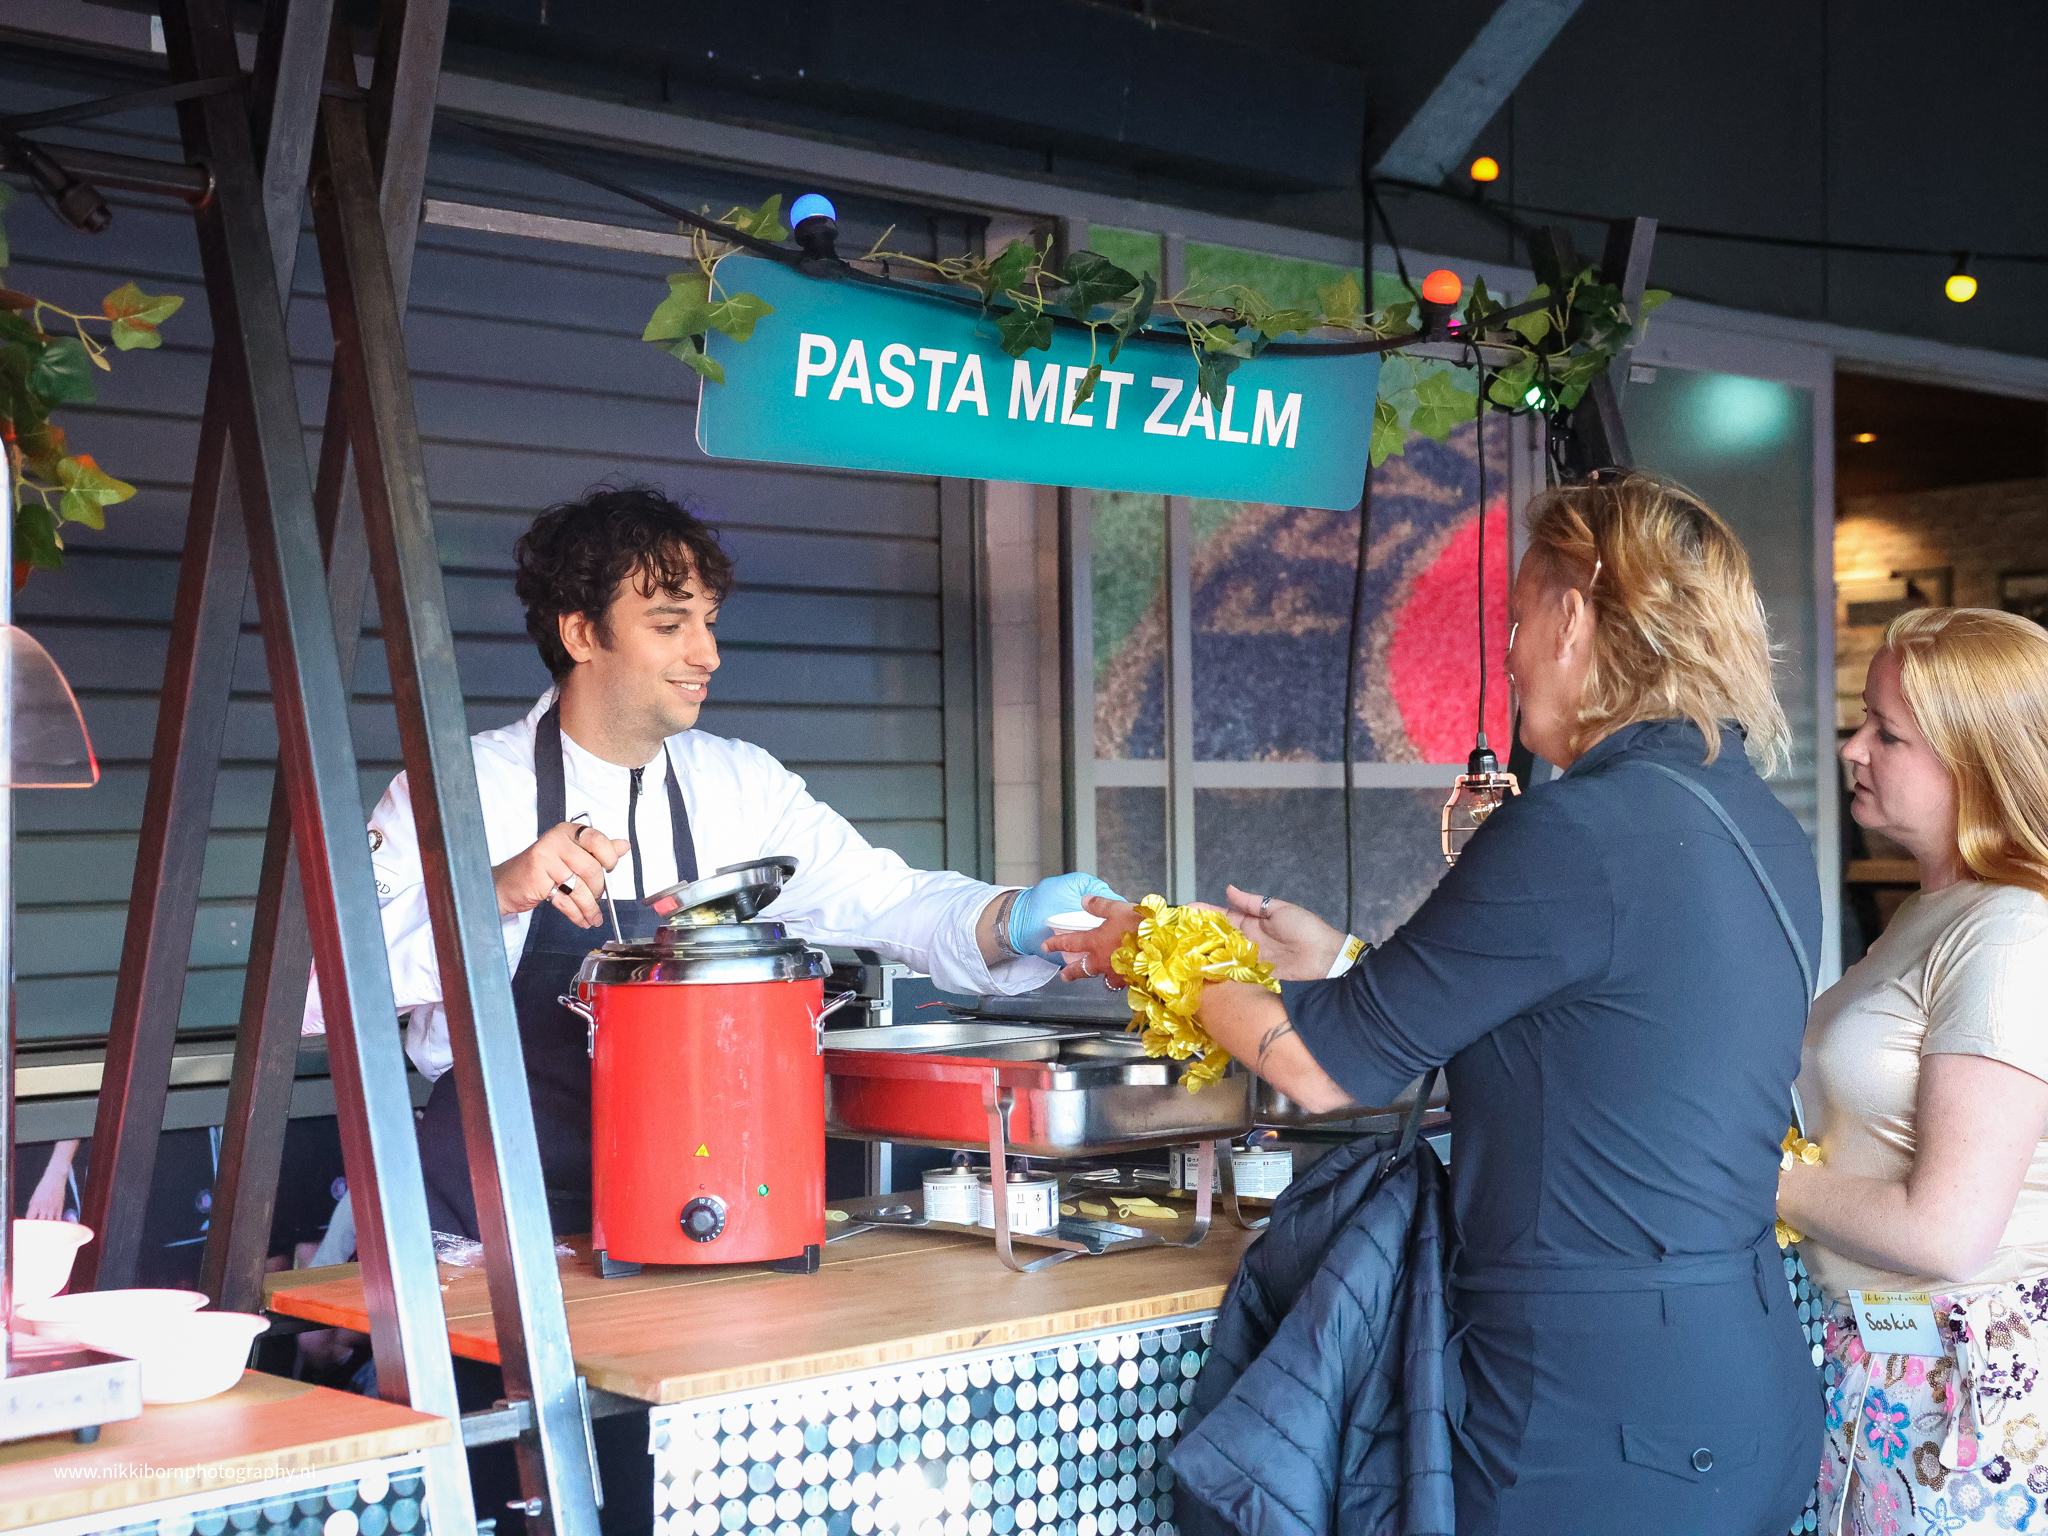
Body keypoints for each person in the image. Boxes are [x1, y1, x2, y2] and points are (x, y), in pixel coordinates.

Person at [1050, 471, 1823, 1534]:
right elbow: (1600, 1030)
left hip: (1596, 1422)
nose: (1503, 656)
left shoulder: (1574, 829)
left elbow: (1317, 1067)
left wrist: (1157, 946)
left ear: (1571, 611)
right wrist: (1350, 962)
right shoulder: (1751, 815)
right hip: (1739, 1386)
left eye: (1512, 618)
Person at [305, 484, 1108, 1239]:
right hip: (491, 1210)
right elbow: (311, 995)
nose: (708, 653)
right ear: (580, 633)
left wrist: (1022, 921)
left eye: (709, 621)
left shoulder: (742, 784)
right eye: (669, 625)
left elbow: (886, 900)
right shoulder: (453, 788)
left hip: (699, 1196)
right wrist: (493, 899)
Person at [1776, 608, 2048, 1535]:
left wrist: (1749, 1178)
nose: (1853, 748)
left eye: (1888, 733)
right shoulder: (1932, 912)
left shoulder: (2009, 932)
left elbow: (1946, 1230)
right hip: (1893, 1374)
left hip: (1969, 1406)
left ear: (1977, 761)